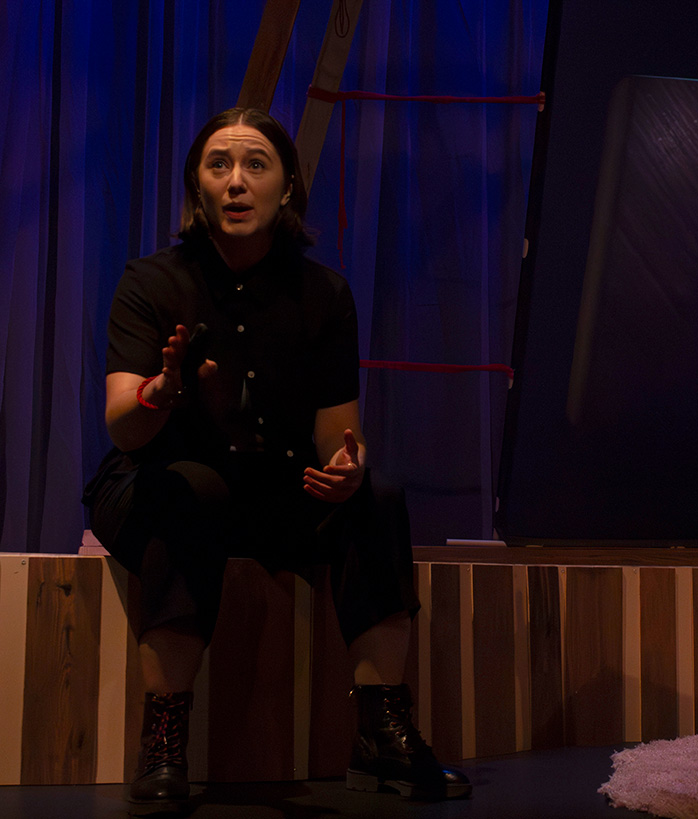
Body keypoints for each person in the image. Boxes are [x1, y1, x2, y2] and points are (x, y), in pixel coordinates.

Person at [82, 108, 469, 811]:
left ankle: (381, 731)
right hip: (154, 480)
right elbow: (124, 430)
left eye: (255, 165)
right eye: (218, 166)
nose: (236, 181)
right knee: (192, 489)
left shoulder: (324, 294)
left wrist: (348, 466)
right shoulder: (152, 281)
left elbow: (338, 435)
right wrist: (160, 392)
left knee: (377, 496)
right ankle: (163, 739)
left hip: (269, 488)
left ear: (286, 186)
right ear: (198, 188)